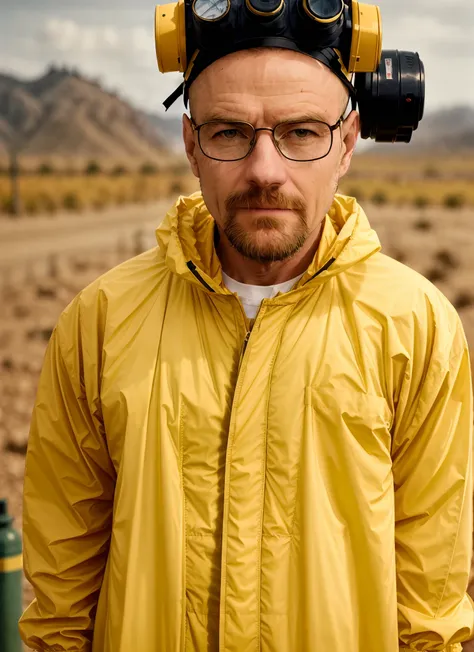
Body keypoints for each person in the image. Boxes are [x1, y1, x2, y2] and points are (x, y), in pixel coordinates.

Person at [19, 46, 474, 652]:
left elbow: (432, 607)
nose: (265, 169)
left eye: (302, 132)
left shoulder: (417, 329)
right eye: (230, 132)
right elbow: (60, 599)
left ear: (347, 143)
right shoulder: (99, 322)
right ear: (189, 142)